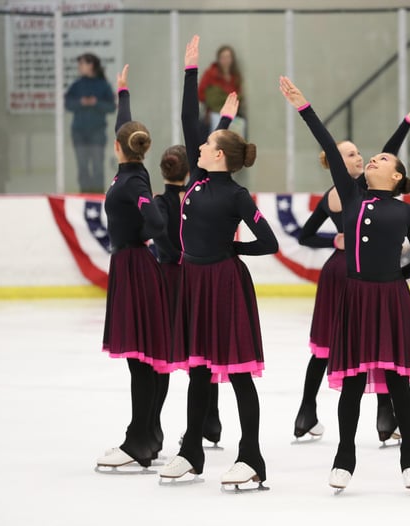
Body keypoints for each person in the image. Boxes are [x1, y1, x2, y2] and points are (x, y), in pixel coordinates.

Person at [281, 75, 410, 492]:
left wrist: (394, 281)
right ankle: (344, 455)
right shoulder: (351, 197)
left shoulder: (406, 212)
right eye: (373, 159)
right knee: (350, 382)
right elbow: (330, 147)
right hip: (355, 298)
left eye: (384, 161)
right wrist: (304, 107)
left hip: (391, 299)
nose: (375, 160)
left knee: (398, 381)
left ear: (398, 177)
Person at [159, 36, 278, 491]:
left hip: (224, 284)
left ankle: (252, 457)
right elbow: (190, 118)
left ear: (220, 156)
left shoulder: (236, 194)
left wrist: (235, 251)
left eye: (208, 144)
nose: (200, 146)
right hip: (192, 279)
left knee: (240, 374)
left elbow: (268, 241)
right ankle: (191, 451)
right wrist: (190, 72)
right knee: (199, 371)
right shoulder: (200, 178)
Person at [95, 64, 171, 472]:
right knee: (144, 360)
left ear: (118, 147)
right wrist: (123, 94)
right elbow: (125, 129)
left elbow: (157, 222)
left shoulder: (133, 183)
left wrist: (146, 231)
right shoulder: (133, 170)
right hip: (134, 265)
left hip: (134, 265)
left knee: (141, 361)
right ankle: (148, 435)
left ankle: (138, 442)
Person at [153, 94, 239, 449]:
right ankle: (211, 419)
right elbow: (209, 149)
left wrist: (171, 257)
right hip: (193, 275)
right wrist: (224, 121)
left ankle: (195, 423)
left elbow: (159, 235)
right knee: (205, 351)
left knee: (195, 353)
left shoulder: (185, 194)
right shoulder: (196, 190)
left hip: (183, 278)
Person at [64, 53, 116, 193]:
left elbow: (111, 106)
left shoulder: (103, 85)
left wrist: (96, 103)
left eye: (82, 64)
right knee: (82, 166)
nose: (79, 67)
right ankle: (84, 194)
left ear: (91, 65)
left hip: (97, 132)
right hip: (79, 132)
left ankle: (97, 195)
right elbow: (67, 103)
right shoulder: (77, 85)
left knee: (98, 165)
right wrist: (80, 102)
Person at [198, 45, 245, 135]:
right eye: (223, 57)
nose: (226, 60)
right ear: (218, 59)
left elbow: (239, 96)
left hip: (233, 113)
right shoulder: (210, 74)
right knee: (218, 136)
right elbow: (202, 94)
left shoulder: (235, 76)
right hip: (215, 113)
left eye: (228, 57)